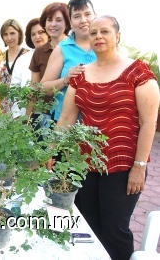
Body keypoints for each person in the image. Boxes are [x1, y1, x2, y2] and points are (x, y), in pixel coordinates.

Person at [51, 15, 159, 260]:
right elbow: (67, 118)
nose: (98, 36)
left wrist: (139, 167)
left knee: (114, 229)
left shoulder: (137, 71)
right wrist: (53, 151)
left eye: (105, 32)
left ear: (117, 36)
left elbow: (148, 123)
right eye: (94, 32)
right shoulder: (81, 75)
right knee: (86, 224)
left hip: (123, 166)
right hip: (84, 165)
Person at [40, 0, 96, 122]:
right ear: (70, 22)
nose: (83, 20)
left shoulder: (105, 46)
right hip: (66, 126)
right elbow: (43, 88)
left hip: (100, 124)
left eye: (87, 14)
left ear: (95, 16)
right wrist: (65, 80)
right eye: (77, 16)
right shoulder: (62, 49)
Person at [27, 2, 71, 128]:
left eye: (58, 20)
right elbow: (34, 89)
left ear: (67, 23)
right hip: (44, 117)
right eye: (49, 20)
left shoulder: (75, 47)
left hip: (71, 115)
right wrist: (27, 119)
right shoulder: (39, 52)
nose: (53, 24)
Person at [0, 19, 29, 123]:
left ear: (19, 34)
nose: (9, 38)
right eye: (5, 34)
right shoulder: (0, 57)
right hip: (0, 108)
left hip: (20, 106)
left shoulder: (28, 55)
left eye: (12, 33)